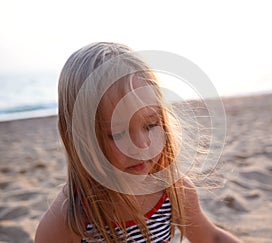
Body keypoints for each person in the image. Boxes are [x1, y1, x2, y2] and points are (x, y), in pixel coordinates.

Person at [35, 42, 241, 242]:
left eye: (151, 125)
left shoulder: (173, 192)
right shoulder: (68, 221)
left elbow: (211, 237)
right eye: (117, 133)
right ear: (80, 140)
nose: (142, 146)